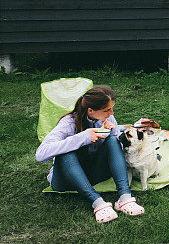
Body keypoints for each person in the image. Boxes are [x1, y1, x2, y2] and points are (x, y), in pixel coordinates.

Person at [35, 85, 145, 223]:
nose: (111, 113)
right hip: (66, 180)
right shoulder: (68, 123)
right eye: (107, 110)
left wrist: (114, 133)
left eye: (112, 108)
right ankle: (97, 202)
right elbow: (40, 154)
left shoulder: (108, 119)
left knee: (112, 140)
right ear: (91, 110)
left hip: (95, 174)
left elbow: (117, 149)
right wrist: (83, 137)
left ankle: (125, 197)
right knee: (65, 152)